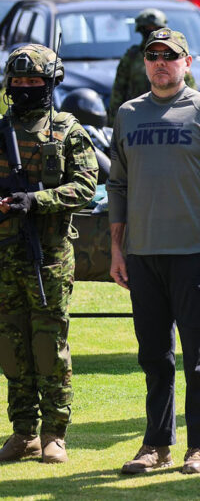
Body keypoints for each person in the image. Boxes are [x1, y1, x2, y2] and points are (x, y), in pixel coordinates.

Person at [108, 28, 200, 475]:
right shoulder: (128, 114)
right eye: (153, 55)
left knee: (197, 355)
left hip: (194, 255)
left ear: (187, 62)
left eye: (170, 55)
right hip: (143, 256)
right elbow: (117, 185)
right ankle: (156, 445)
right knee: (154, 358)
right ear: (145, 62)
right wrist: (117, 250)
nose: (161, 62)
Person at [0, 44, 98, 464]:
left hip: (49, 257)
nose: (25, 87)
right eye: (18, 81)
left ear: (50, 83)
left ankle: (54, 433)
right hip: (5, 255)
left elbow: (86, 186)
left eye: (33, 81)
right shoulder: (1, 130)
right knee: (10, 346)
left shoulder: (67, 131)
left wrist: (37, 200)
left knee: (48, 344)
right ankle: (23, 432)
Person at [109, 8, 196, 127]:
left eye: (155, 28)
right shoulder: (131, 57)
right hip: (137, 118)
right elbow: (118, 93)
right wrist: (114, 124)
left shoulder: (177, 58)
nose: (160, 62)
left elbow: (191, 92)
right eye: (147, 28)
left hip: (173, 119)